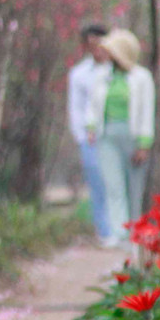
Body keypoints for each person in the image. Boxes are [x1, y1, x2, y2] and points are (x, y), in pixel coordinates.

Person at [85, 28, 156, 245]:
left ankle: (134, 234)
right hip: (107, 136)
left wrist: (144, 144)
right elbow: (92, 106)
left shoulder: (142, 77)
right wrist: (91, 127)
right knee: (113, 185)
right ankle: (119, 233)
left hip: (133, 137)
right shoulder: (102, 76)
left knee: (133, 188)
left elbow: (147, 111)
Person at [68, 24, 114, 246]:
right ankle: (105, 232)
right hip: (90, 137)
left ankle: (121, 228)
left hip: (114, 134)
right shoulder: (79, 74)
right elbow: (75, 108)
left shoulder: (118, 71)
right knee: (97, 184)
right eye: (91, 43)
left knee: (116, 182)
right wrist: (81, 136)